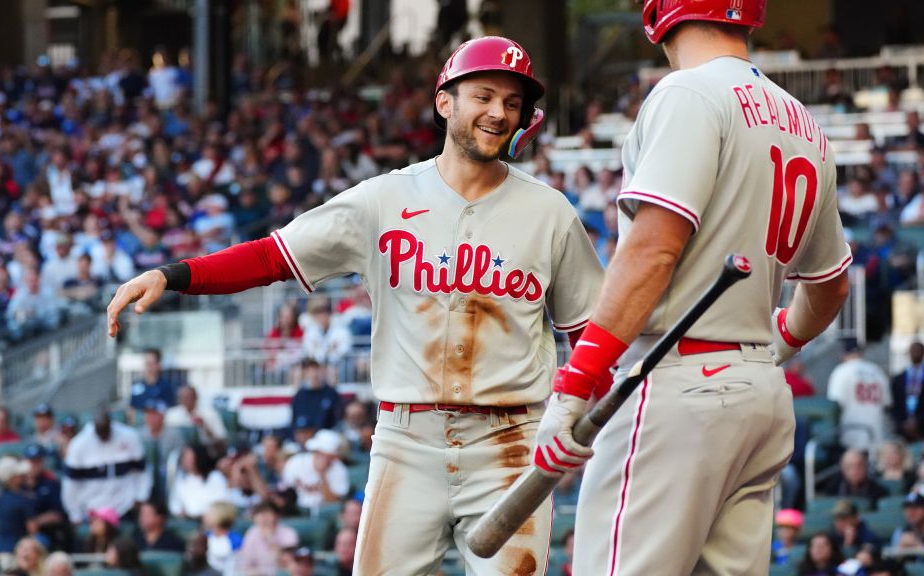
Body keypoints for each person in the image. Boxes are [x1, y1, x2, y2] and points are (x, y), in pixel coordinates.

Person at [107, 35, 603, 574]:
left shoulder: (550, 212)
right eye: (483, 95)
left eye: (512, 103)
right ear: (445, 102)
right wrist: (173, 275)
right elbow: (273, 256)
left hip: (512, 442)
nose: (498, 112)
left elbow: (591, 331)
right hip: (407, 439)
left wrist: (576, 414)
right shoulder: (382, 200)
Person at [539, 3, 853, 574]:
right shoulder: (803, 121)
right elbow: (830, 287)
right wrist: (772, 343)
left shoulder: (687, 93)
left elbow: (653, 250)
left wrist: (576, 383)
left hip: (676, 389)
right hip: (759, 394)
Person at [61, 407, 151, 524]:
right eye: (100, 430)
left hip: (124, 508)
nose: (104, 434)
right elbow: (70, 484)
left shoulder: (129, 436)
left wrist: (141, 497)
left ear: (111, 423)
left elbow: (142, 471)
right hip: (92, 511)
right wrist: (75, 514)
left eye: (106, 429)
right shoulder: (79, 444)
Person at [828, 340, 891, 451]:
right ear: (862, 353)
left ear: (843, 353)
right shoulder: (877, 371)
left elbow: (834, 405)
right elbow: (887, 404)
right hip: (876, 430)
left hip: (851, 432)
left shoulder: (841, 371)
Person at [236, 502, 299, 576]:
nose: (263, 518)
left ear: (277, 515)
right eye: (260, 514)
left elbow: (289, 562)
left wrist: (271, 539)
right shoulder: (252, 533)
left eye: (267, 513)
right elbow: (246, 561)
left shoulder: (288, 533)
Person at [129, 349, 177, 420]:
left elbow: (172, 411)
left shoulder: (167, 386)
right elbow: (131, 410)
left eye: (151, 364)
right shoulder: (136, 386)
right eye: (146, 364)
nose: (148, 367)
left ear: (158, 365)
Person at [891, 341, 924, 441]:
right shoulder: (899, 378)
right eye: (913, 350)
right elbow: (894, 403)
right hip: (903, 428)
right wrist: (902, 422)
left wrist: (918, 421)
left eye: (918, 350)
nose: (915, 353)